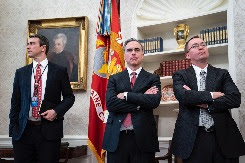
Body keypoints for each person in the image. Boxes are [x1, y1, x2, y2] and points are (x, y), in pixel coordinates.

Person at [171, 35, 245, 163]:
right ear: (188, 55)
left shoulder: (222, 73)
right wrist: (212, 95)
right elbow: (183, 96)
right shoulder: (180, 75)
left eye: (203, 44)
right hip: (193, 139)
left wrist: (206, 104)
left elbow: (235, 99)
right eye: (195, 46)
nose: (200, 47)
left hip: (223, 136)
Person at [9, 34, 75, 163]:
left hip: (49, 132)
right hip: (23, 132)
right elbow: (15, 102)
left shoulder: (59, 71)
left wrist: (56, 111)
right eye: (28, 44)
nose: (28, 47)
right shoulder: (21, 73)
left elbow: (69, 97)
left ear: (43, 48)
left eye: (32, 43)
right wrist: (13, 130)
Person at [102, 38, 162, 163]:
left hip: (143, 139)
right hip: (117, 139)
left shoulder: (153, 78)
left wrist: (126, 95)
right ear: (124, 55)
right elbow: (111, 104)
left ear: (142, 54)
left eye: (137, 50)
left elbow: (154, 102)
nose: (133, 53)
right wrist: (141, 102)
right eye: (129, 50)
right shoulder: (114, 78)